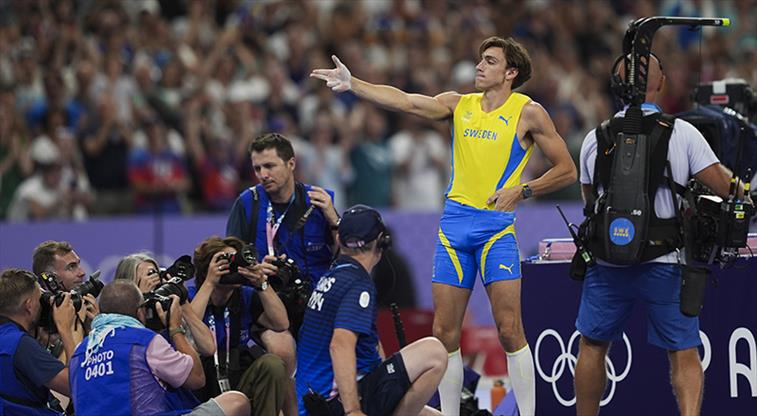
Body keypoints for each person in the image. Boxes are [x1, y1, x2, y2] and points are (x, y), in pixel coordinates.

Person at [311, 36, 577, 415]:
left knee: (508, 330)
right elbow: (406, 100)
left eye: (489, 61)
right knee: (444, 334)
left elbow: (566, 168)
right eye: (479, 59)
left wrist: (524, 190)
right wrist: (355, 84)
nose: (479, 66)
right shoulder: (459, 104)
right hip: (453, 228)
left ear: (510, 72)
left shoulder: (529, 112)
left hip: (496, 230)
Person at [574, 54, 739, 415]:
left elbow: (590, 201)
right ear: (660, 83)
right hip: (664, 262)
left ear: (616, 88)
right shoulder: (681, 132)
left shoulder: (594, 137)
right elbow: (726, 187)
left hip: (607, 264)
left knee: (592, 345)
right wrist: (743, 188)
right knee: (683, 350)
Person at [296, 205, 447, 416]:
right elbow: (340, 345)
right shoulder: (358, 284)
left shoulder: (332, 276)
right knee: (435, 352)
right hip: (335, 404)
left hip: (314, 403)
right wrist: (353, 411)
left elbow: (370, 346)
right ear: (382, 243)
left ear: (340, 240)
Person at [68, 281, 250, 416]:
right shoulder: (143, 340)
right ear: (140, 311)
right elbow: (197, 378)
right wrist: (175, 328)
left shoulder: (80, 351)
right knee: (236, 401)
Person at [190, 236, 290, 416]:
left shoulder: (246, 296)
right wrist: (210, 282)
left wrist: (262, 284)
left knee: (272, 364)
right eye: (225, 262)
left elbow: (281, 323)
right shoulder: (192, 296)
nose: (232, 268)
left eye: (235, 261)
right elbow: (188, 328)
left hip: (238, 380)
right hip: (202, 384)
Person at [226, 132, 340, 287]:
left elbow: (345, 257)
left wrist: (334, 220)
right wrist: (255, 270)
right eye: (257, 168)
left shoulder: (319, 201)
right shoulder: (247, 203)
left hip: (315, 299)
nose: (263, 175)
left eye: (269, 166)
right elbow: (230, 263)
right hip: (264, 297)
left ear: (291, 164)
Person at [0, 268, 77, 415]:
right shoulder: (19, 344)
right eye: (40, 300)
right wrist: (66, 329)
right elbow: (77, 385)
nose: (43, 306)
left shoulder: (9, 339)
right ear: (29, 305)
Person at [114, 252, 216, 357]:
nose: (154, 280)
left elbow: (208, 348)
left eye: (155, 273)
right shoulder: (118, 324)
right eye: (149, 275)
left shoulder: (168, 311)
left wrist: (181, 299)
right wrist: (142, 298)